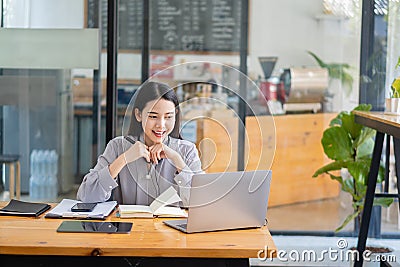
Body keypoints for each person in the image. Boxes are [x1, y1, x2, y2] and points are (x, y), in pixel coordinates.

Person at [77, 81, 203, 206]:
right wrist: (123, 159)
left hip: (169, 227)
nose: (161, 125)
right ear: (138, 114)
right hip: (129, 226)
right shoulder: (117, 146)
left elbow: (202, 202)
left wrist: (177, 160)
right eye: (153, 117)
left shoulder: (187, 150)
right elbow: (86, 197)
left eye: (168, 117)